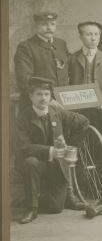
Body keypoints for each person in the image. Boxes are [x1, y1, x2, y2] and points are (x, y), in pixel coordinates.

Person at [16, 77, 90, 224]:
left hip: (57, 166)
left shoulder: (56, 112)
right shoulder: (23, 117)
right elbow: (24, 148)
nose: (43, 99)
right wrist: (51, 150)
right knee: (30, 162)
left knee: (55, 208)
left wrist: (71, 147)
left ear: (50, 96)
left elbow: (83, 122)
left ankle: (61, 198)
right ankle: (31, 207)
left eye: (46, 94)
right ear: (31, 96)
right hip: (37, 164)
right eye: (38, 94)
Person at [68, 21, 102, 136]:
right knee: (78, 139)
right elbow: (66, 82)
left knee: (98, 141)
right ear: (81, 36)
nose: (93, 38)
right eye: (89, 34)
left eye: (96, 34)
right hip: (77, 109)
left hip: (99, 110)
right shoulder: (72, 58)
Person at [14, 12, 70, 109]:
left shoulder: (61, 43)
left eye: (52, 24)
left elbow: (68, 69)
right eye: (44, 24)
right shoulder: (26, 47)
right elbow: (24, 79)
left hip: (62, 103)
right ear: (36, 26)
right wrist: (49, 100)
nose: (49, 28)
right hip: (37, 104)